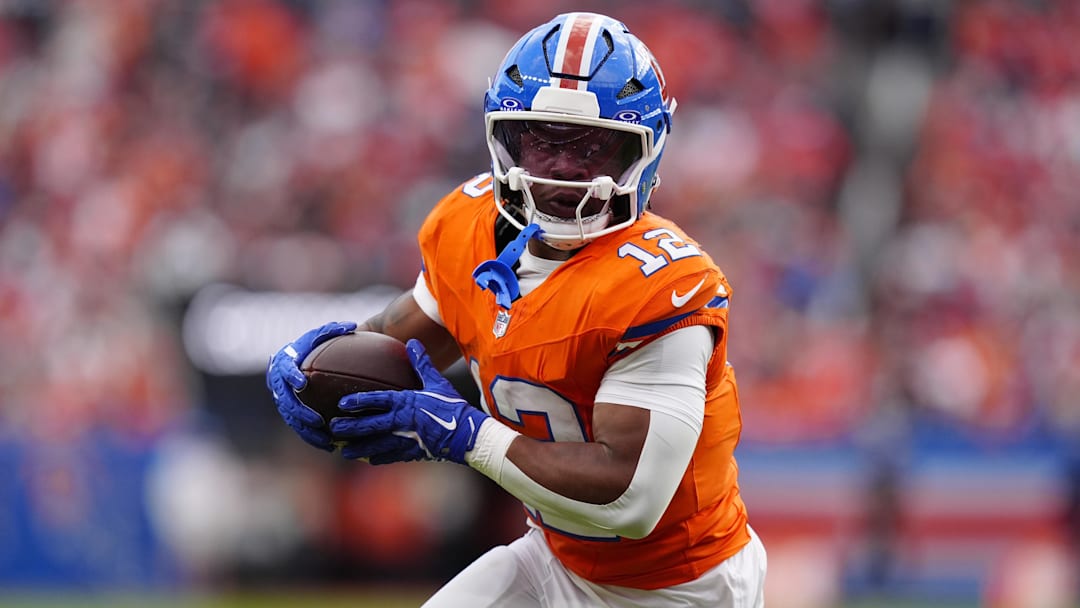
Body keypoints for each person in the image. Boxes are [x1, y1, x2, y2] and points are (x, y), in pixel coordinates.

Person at [267, 11, 766, 607]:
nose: (564, 168)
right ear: (503, 138)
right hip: (554, 557)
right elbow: (399, 350)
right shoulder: (469, 226)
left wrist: (467, 435)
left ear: (646, 150)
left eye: (594, 147)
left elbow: (631, 501)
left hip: (680, 585)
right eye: (541, 141)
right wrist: (313, 367)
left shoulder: (663, 285)